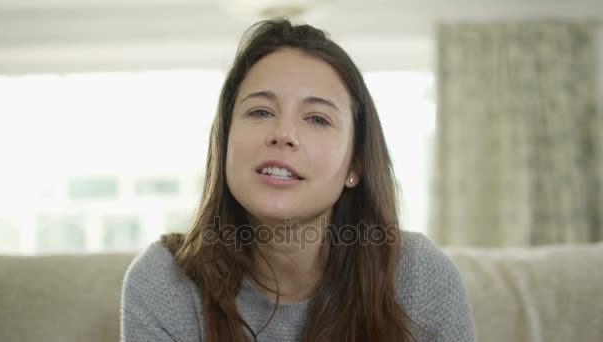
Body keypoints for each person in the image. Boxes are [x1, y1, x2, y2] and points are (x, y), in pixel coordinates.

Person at [120, 18, 474, 342]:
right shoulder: (163, 282)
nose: (283, 133)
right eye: (260, 111)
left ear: (356, 165)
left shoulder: (420, 276)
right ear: (225, 142)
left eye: (317, 119)